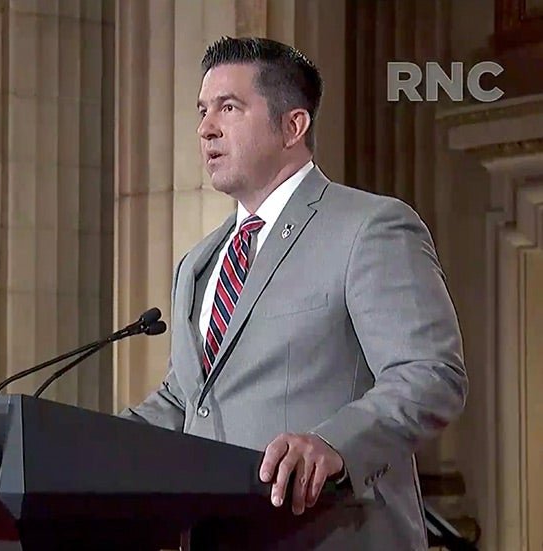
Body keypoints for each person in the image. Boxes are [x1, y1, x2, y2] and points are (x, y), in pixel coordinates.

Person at [119, 37, 468, 550]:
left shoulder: (369, 227)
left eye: (228, 108)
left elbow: (431, 374)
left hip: (329, 534)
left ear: (293, 125)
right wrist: (72, 442)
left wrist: (333, 443)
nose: (206, 128)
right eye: (202, 110)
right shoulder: (198, 263)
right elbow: (184, 401)